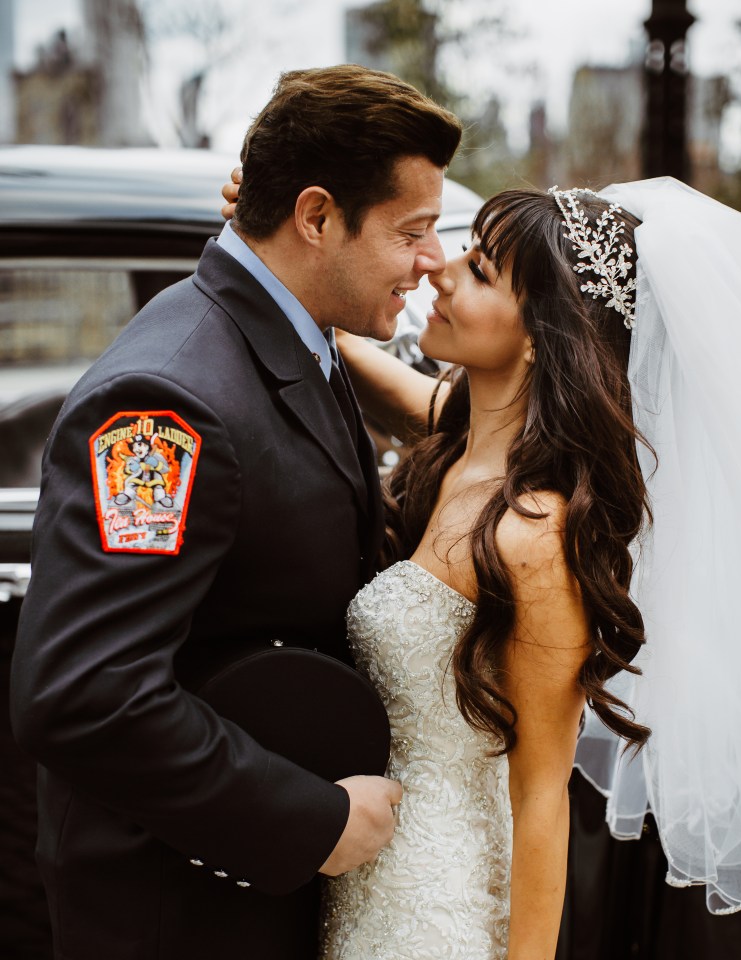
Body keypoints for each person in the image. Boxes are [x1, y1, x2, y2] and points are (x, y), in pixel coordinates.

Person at [224, 174, 741, 956]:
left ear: (542, 333)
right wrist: (270, 238)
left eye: (478, 270)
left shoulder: (534, 532)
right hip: (363, 882)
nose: (439, 269)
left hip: (436, 912)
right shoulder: (457, 443)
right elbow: (333, 342)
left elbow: (541, 796)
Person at [9, 65, 462, 960]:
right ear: (318, 217)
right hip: (181, 914)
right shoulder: (162, 407)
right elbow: (84, 694)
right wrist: (313, 819)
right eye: (413, 231)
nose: (434, 260)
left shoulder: (303, 333)